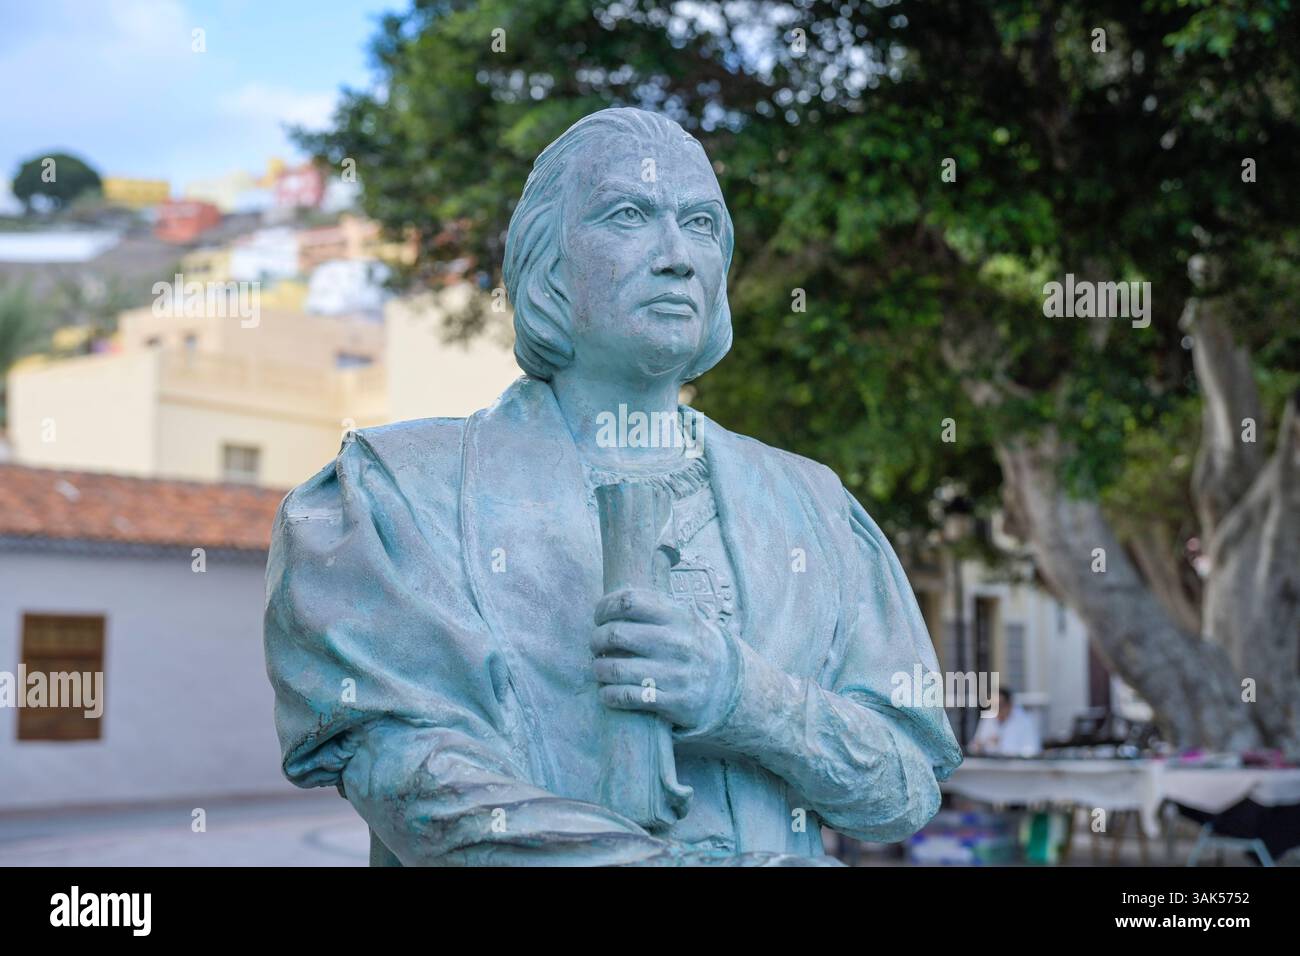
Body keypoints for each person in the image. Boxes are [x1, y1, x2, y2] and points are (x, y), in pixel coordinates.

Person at [263, 107, 962, 866]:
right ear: (548, 265)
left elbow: (904, 788)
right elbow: (419, 784)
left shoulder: (812, 505)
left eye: (701, 224)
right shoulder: (404, 495)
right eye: (629, 215)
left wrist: (742, 697)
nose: (677, 256)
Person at [969, 687, 1042, 756]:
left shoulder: (1025, 721)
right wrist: (983, 744)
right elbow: (974, 747)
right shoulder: (988, 718)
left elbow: (1032, 751)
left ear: (1009, 705)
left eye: (999, 706)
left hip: (1016, 767)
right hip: (989, 767)